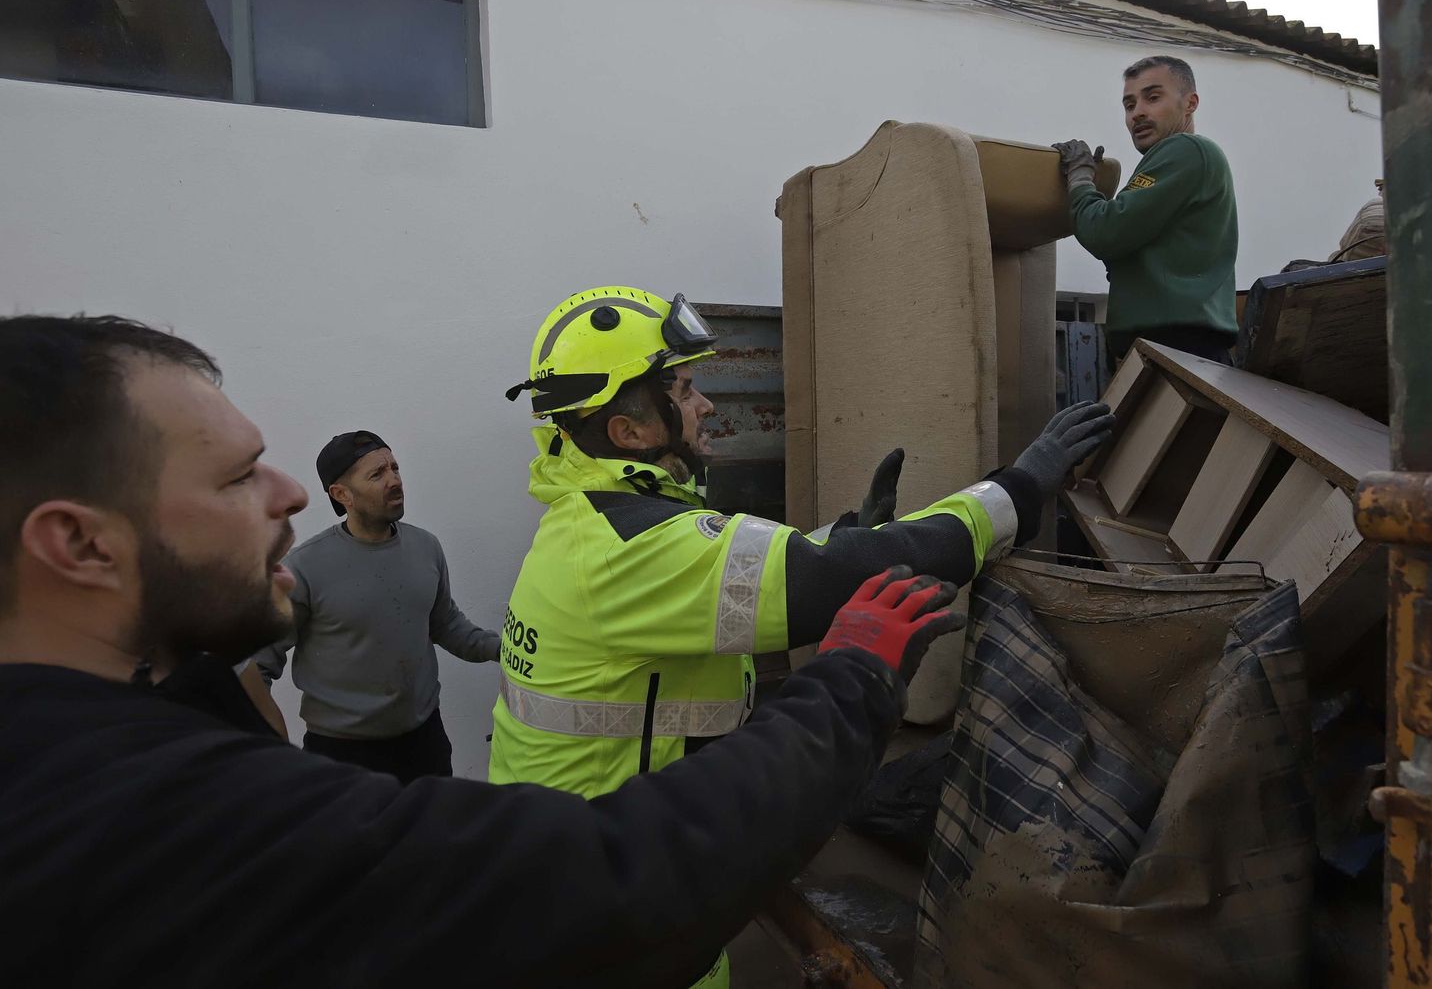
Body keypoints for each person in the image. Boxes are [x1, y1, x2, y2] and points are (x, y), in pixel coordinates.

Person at [0, 313, 966, 987]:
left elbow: (461, 633)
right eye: (239, 474)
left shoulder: (166, 699)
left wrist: (535, 650)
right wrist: (851, 672)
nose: (291, 490)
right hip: (355, 749)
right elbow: (606, 887)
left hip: (418, 743)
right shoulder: (169, 822)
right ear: (79, 543)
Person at [491, 287, 1114, 987]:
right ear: (630, 431)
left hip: (592, 864)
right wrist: (1020, 489)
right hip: (622, 912)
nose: (706, 406)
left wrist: (845, 538)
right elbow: (811, 579)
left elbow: (733, 581)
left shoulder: (591, 523)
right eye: (686, 388)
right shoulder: (632, 545)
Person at [252, 430, 499, 782]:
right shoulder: (303, 568)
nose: (394, 480)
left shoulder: (426, 548)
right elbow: (260, 663)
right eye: (377, 474)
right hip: (342, 756)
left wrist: (507, 651)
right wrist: (261, 745)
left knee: (431, 837)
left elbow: (445, 625)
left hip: (425, 743)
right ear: (341, 495)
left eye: (394, 468)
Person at [1055, 55, 1240, 364]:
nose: (1138, 113)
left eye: (1152, 98)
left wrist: (1080, 178)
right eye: (1129, 105)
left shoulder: (1185, 149)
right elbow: (1124, 239)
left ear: (1190, 103)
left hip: (1177, 351)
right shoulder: (1175, 161)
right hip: (1175, 351)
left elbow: (1104, 231)